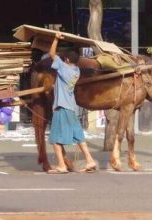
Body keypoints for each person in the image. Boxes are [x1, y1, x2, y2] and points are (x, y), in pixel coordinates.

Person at [47, 32, 97, 174]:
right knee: (79, 137)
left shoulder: (64, 68)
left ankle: (62, 165)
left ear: (67, 60)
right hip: (71, 108)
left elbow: (51, 54)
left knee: (55, 139)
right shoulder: (76, 71)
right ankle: (90, 160)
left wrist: (56, 39)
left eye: (64, 58)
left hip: (61, 107)